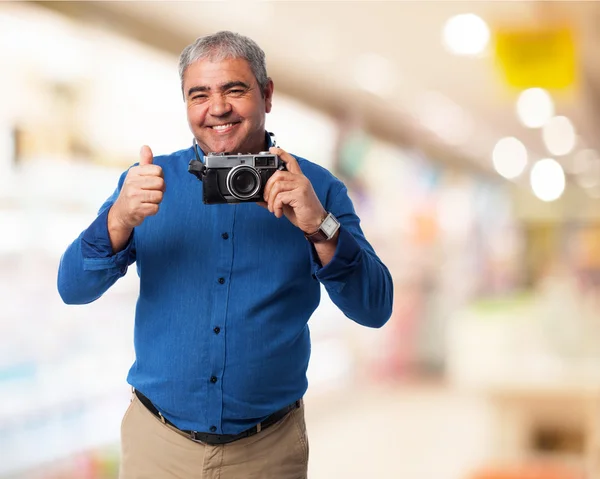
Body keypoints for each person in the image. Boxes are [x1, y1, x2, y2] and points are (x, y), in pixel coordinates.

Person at [58, 30, 393, 479]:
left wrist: (320, 225)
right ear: (186, 104)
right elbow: (71, 289)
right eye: (200, 94)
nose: (217, 108)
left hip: (268, 451)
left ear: (267, 95)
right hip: (158, 446)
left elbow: (375, 308)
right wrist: (117, 219)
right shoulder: (148, 182)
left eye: (234, 89)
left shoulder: (317, 189)